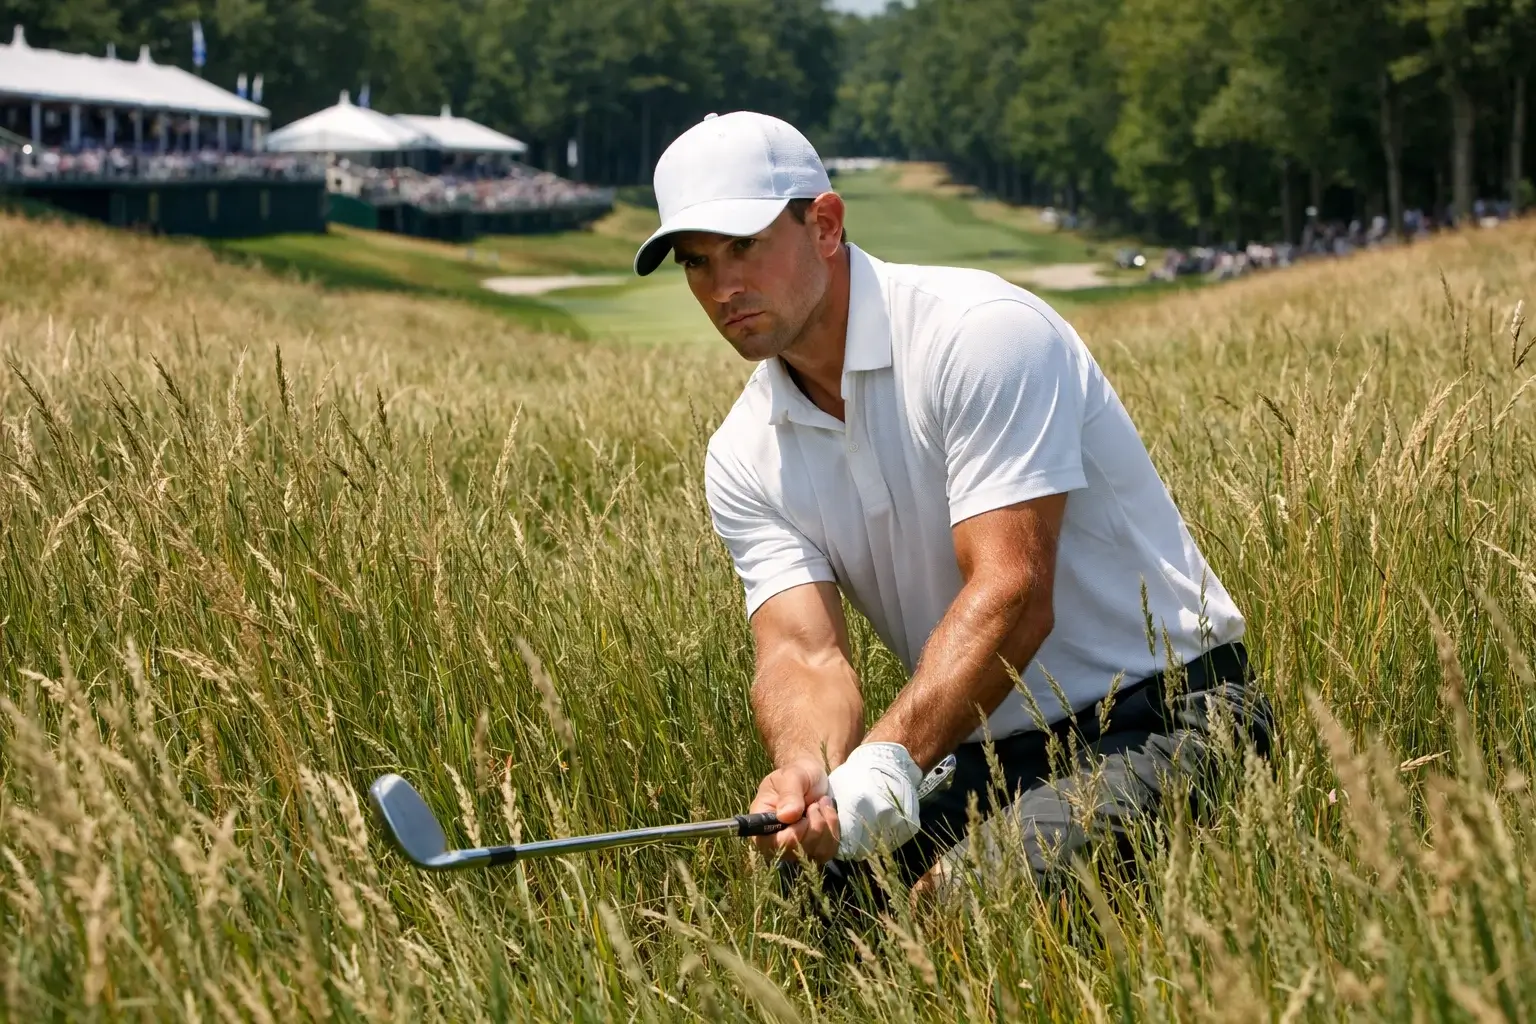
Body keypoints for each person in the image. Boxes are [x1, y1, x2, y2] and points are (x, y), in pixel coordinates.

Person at [632, 112, 1272, 907]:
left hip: (1169, 715)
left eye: (744, 247)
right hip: (990, 746)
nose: (721, 287)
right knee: (822, 913)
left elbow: (1013, 593)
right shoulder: (741, 453)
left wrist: (885, 762)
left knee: (967, 909)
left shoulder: (981, 333)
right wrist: (809, 767)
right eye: (696, 263)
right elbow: (805, 655)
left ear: (824, 224)